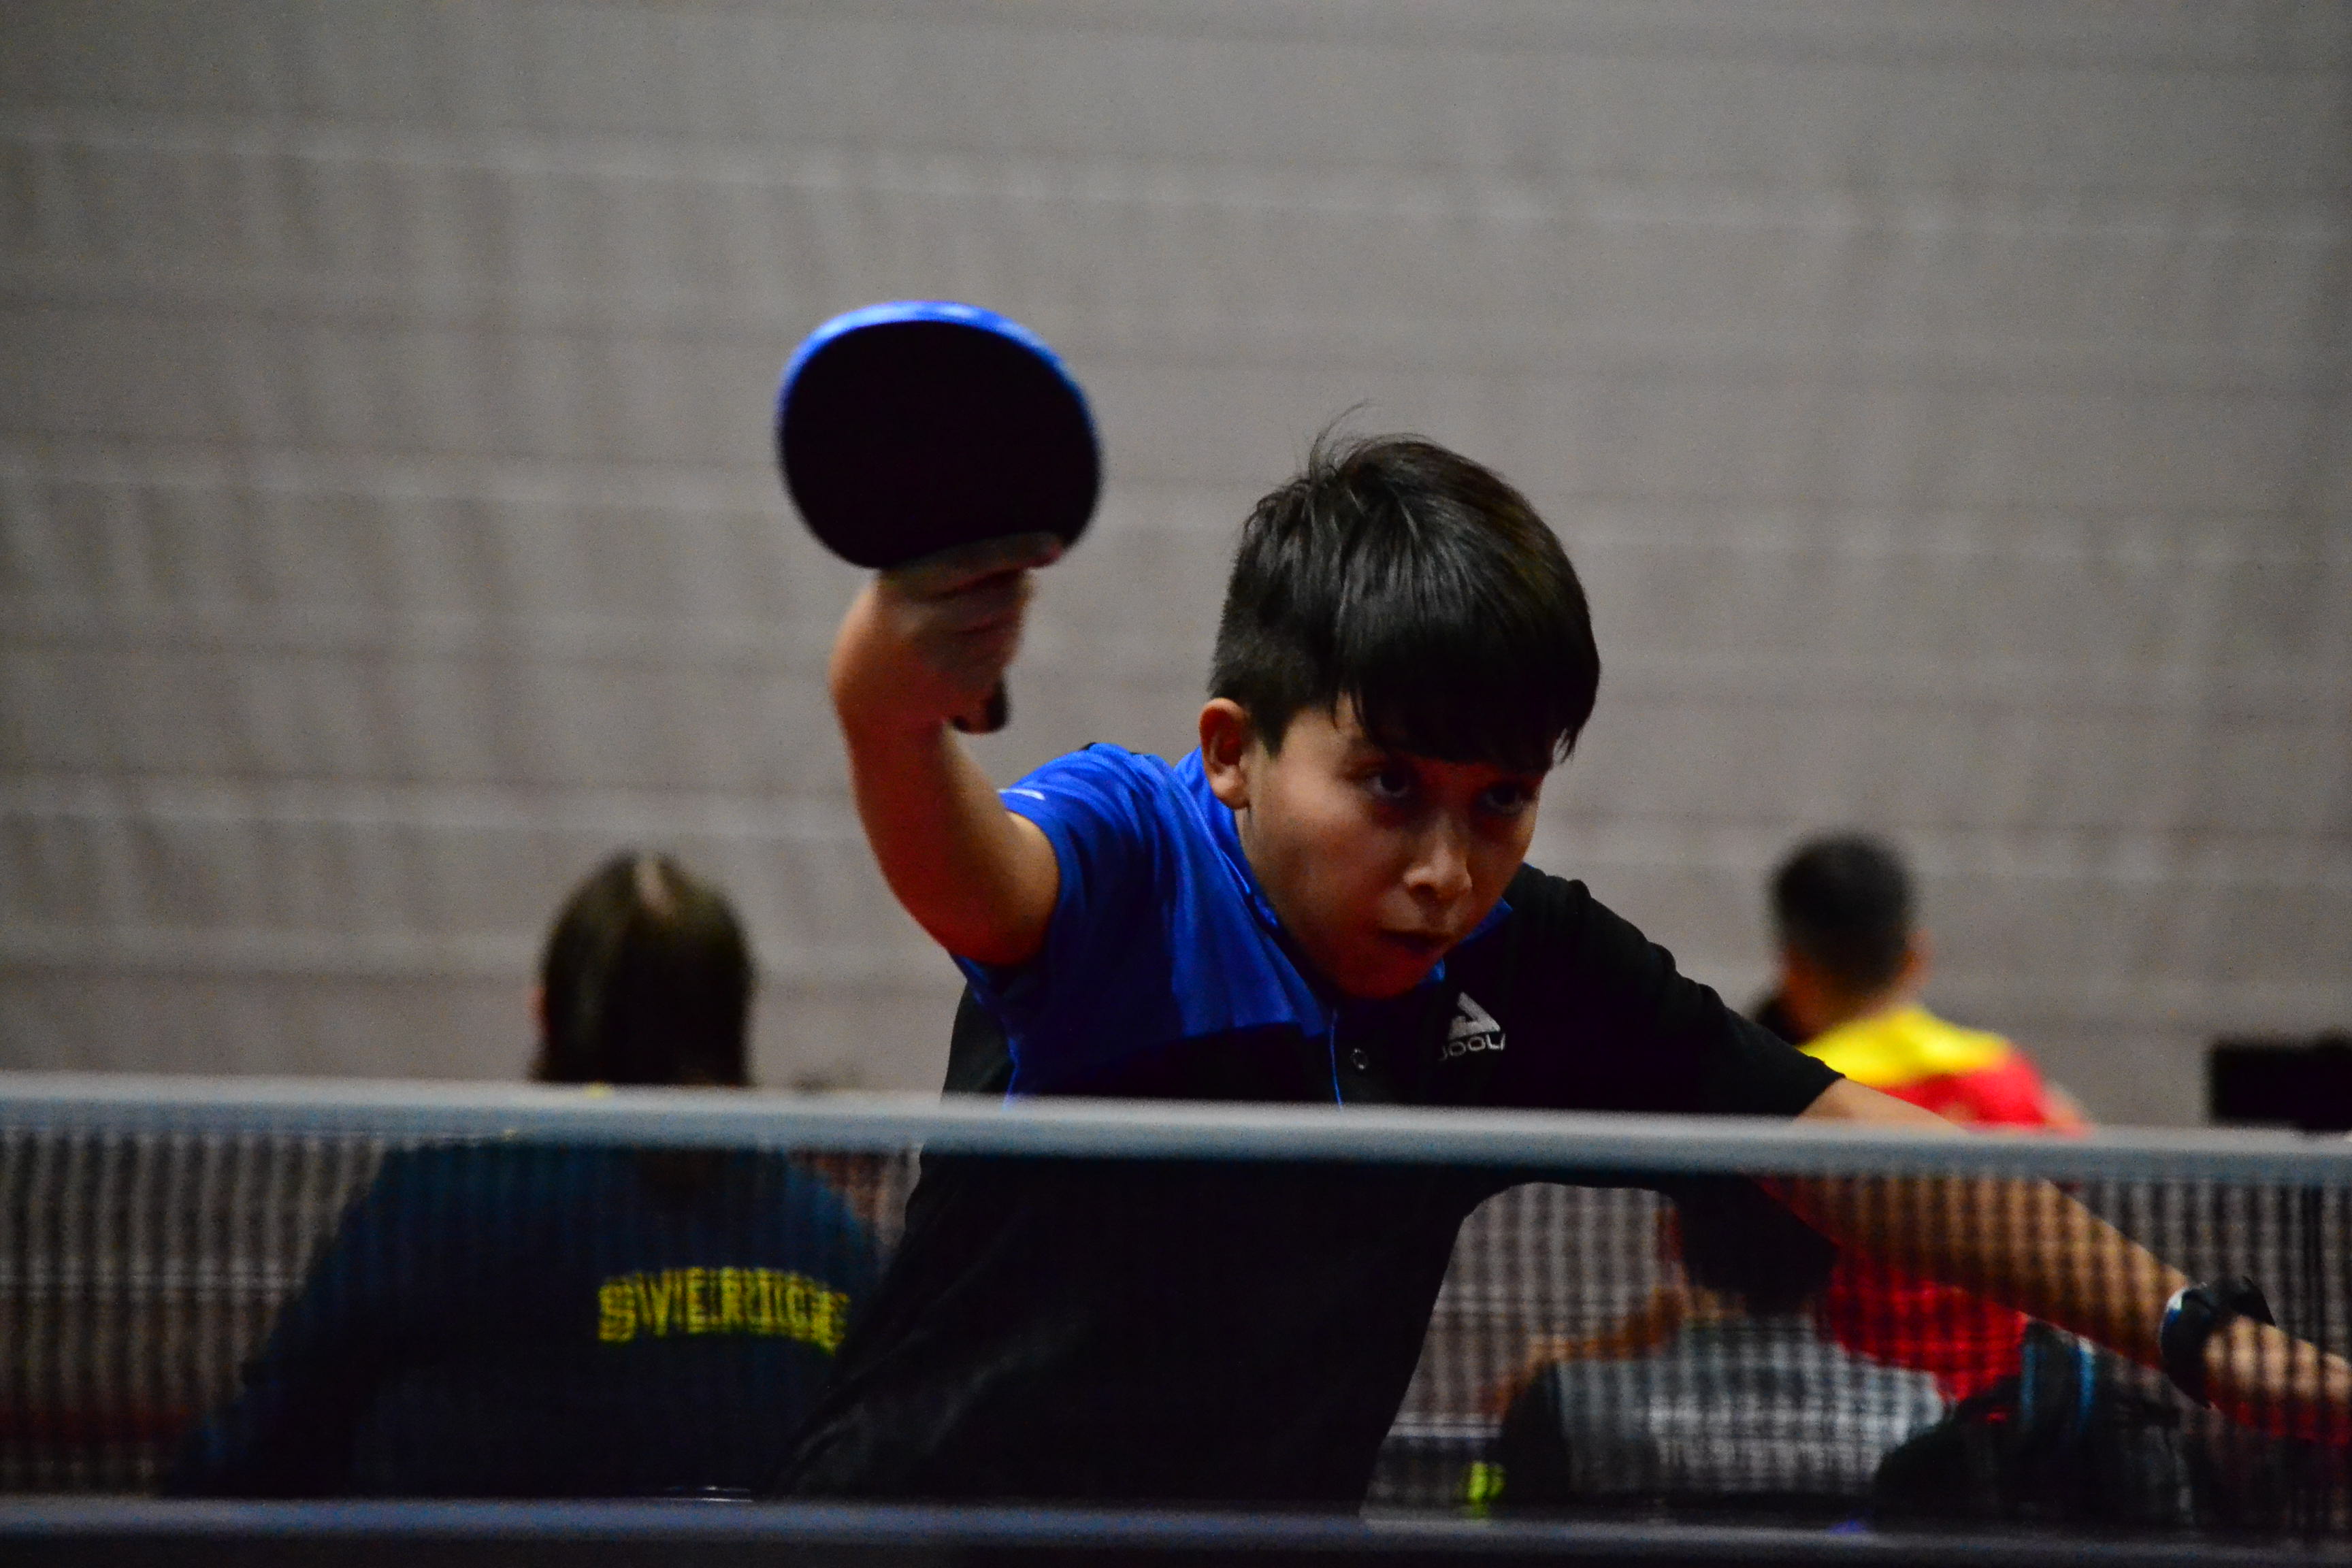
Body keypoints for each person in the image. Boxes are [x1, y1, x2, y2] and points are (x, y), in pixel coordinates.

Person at [777, 431, 2342, 1505]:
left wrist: (2196, 1326)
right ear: (1234, 754)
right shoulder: (1130, 851)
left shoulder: (1519, 962)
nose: (1445, 868)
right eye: (1387, 785)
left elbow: (1841, 1146)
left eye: (1499, 800)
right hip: (923, 1528)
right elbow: (978, 884)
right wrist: (887, 719)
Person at [168, 852, 879, 1497]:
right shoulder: (837, 1240)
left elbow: (261, 1444)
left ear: (544, 1014)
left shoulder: (443, 1203)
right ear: (734, 1024)